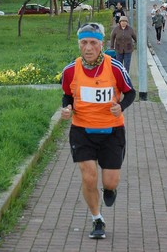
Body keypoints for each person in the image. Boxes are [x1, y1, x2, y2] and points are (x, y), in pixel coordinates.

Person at [60, 22, 136, 240]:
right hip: (82, 130)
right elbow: (67, 94)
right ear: (78, 44)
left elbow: (130, 93)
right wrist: (67, 107)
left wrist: (119, 106)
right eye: (84, 42)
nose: (88, 48)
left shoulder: (115, 68)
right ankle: (97, 219)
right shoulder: (70, 70)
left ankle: (110, 190)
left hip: (112, 131)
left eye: (93, 42)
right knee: (89, 177)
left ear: (101, 44)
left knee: (109, 181)